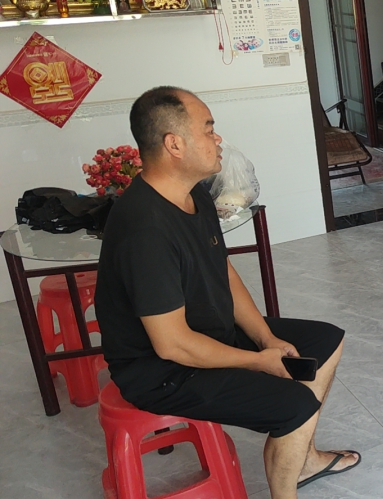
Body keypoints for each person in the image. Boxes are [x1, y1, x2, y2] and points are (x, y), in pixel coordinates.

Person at [97, 87, 360, 499]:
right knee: (295, 405)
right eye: (208, 129)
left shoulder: (195, 194)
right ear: (174, 145)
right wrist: (257, 361)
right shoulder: (144, 228)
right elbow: (172, 344)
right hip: (162, 371)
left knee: (326, 340)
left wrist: (266, 338)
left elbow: (222, 269)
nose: (217, 138)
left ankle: (303, 459)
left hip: (207, 332)